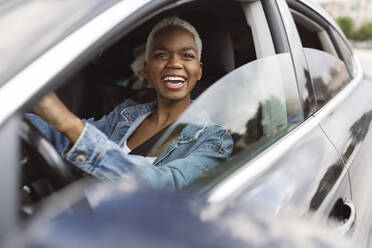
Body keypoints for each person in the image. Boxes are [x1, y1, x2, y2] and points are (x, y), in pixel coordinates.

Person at [26, 16, 233, 191]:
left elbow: (166, 185)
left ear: (199, 70)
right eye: (161, 55)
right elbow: (64, 139)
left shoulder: (214, 139)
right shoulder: (126, 114)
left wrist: (70, 124)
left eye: (187, 56)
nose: (174, 63)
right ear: (146, 69)